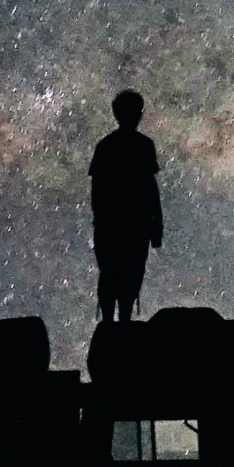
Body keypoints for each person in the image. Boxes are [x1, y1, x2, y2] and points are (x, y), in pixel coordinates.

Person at [89, 90, 163, 323]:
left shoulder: (106, 146)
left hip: (113, 224)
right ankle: (123, 323)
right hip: (134, 224)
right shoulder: (143, 146)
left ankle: (112, 323)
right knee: (129, 274)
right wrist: (156, 224)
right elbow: (150, 189)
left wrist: (103, 220)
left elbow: (97, 192)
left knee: (112, 273)